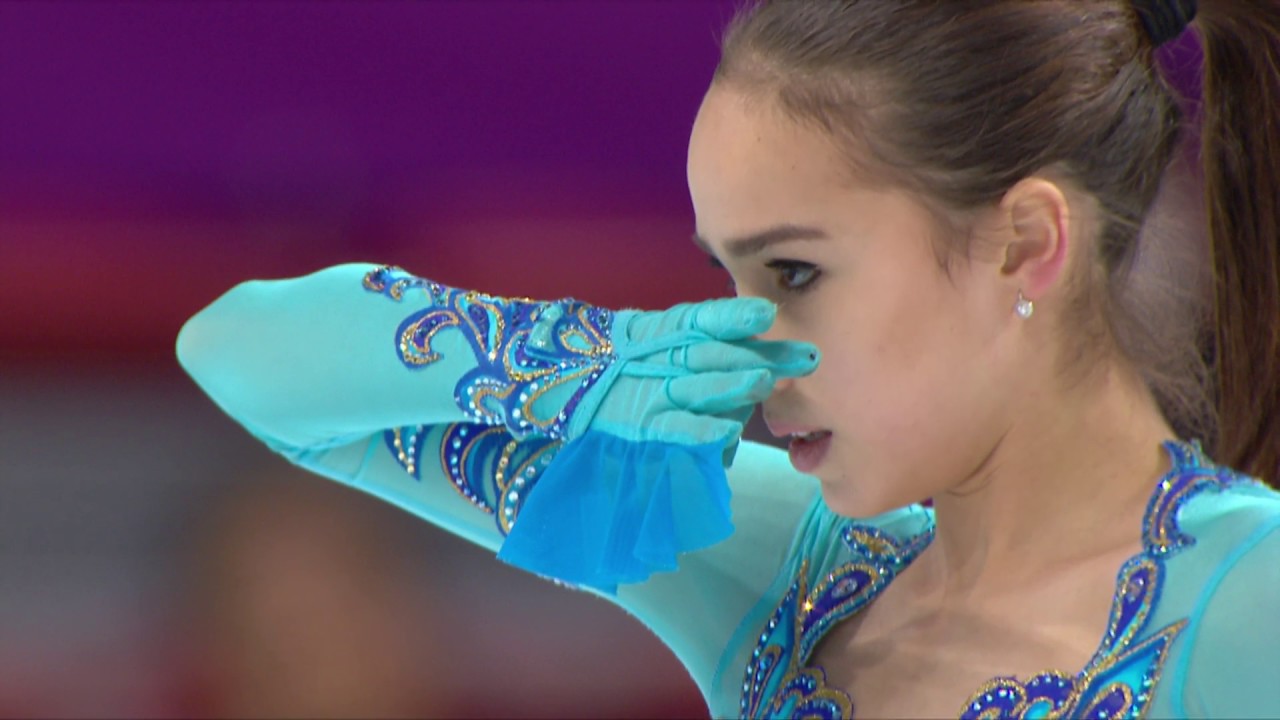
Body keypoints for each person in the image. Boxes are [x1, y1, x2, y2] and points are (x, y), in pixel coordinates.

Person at [176, 0, 1280, 717]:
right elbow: (243, 358)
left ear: (1023, 244)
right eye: (725, 277)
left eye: (794, 272)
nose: (749, 349)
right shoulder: (787, 571)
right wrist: (586, 360)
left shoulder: (1250, 598)